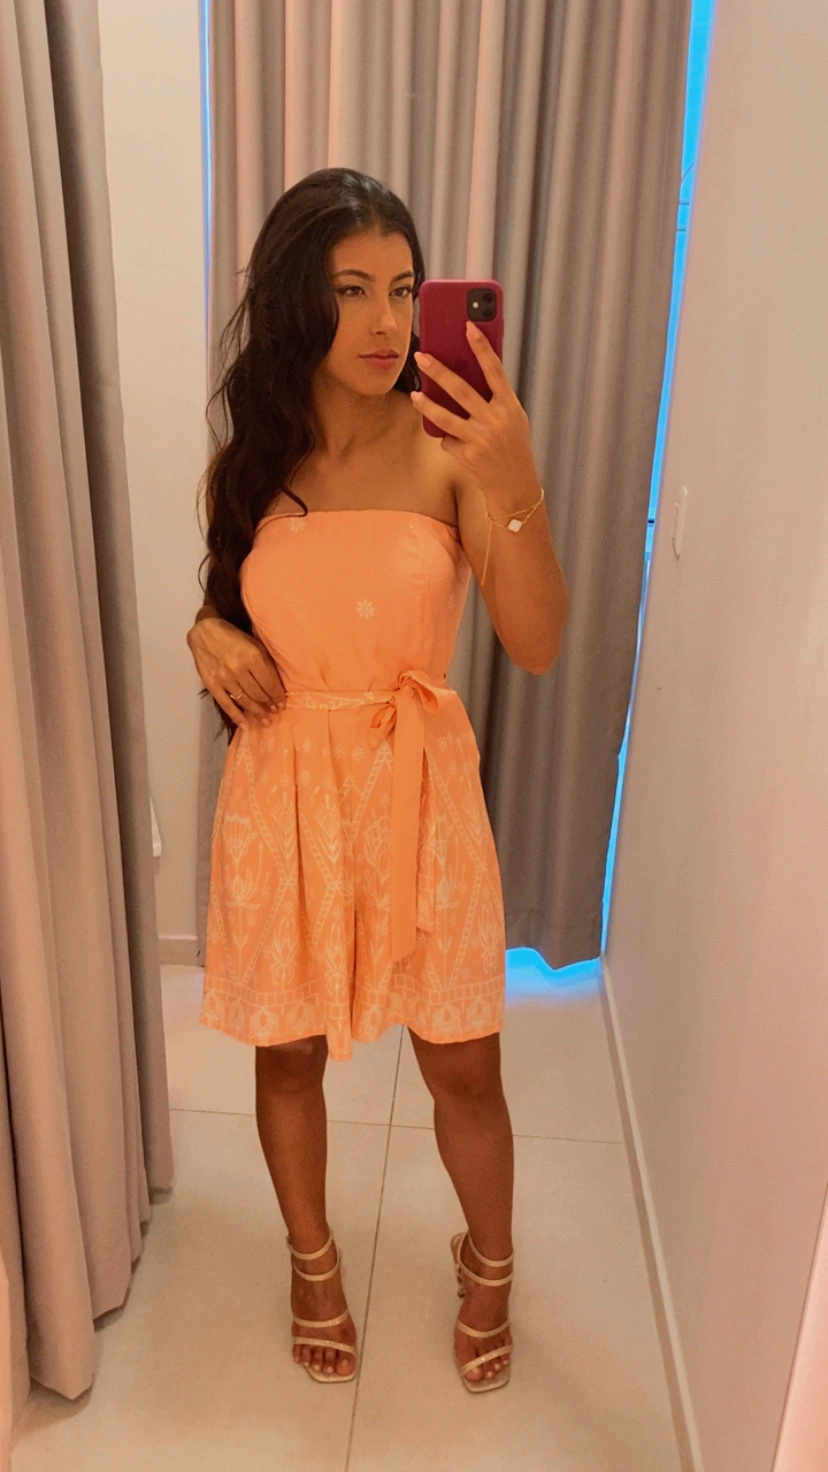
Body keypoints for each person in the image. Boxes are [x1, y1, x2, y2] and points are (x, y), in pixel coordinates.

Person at [186, 168, 567, 1393]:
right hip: (283, 797)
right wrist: (204, 632)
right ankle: (312, 1259)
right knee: (287, 1054)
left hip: (420, 795)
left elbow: (538, 640)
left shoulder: (454, 447)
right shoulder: (253, 458)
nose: (387, 322)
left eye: (404, 289)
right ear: (295, 300)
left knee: (465, 1066)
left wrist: (514, 479)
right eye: (351, 290)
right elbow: (232, 607)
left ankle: (489, 1259)